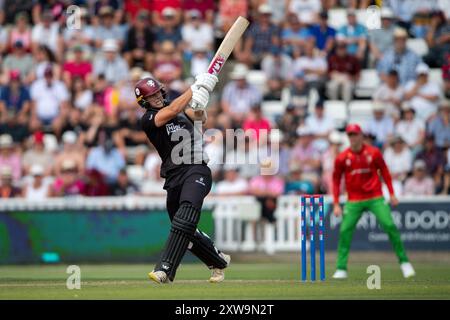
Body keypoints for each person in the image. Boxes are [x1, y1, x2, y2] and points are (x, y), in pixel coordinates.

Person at [136, 71, 230, 284]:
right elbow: (173, 109)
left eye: (158, 92)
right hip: (174, 176)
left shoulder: (180, 109)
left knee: (186, 215)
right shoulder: (149, 119)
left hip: (197, 168)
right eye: (151, 96)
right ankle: (219, 261)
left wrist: (199, 102)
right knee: (183, 226)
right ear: (144, 101)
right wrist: (195, 87)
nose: (157, 97)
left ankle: (165, 270)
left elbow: (201, 118)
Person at [331, 123, 415, 279]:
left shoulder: (374, 153)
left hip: (375, 196)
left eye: (355, 134)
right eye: (350, 135)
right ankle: (341, 268)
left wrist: (392, 193)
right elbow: (336, 180)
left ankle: (404, 263)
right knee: (344, 231)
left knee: (390, 225)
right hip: (354, 200)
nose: (353, 138)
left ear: (361, 136)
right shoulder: (342, 158)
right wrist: (336, 203)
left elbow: (385, 172)